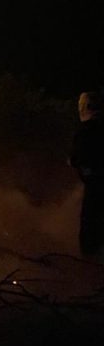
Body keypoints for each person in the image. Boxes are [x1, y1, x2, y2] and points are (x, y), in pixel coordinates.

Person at [72, 91, 103, 257]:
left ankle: (90, 272)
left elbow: (77, 158)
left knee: (90, 232)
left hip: (96, 189)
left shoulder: (86, 131)